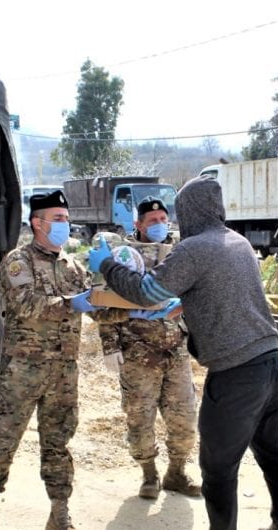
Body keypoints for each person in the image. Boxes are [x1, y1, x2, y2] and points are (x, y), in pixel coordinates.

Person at [89, 175, 278, 530]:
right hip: (271, 366)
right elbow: (219, 295)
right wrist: (184, 307)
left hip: (236, 374)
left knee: (218, 467)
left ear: (187, 212)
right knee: (272, 450)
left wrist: (107, 266)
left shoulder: (193, 247)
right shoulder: (236, 242)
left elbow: (147, 290)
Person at [0, 190, 122, 530]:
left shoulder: (74, 268)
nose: (65, 225)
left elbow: (99, 308)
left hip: (64, 373)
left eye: (66, 218)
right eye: (58, 218)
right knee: (2, 442)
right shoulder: (16, 262)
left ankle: (59, 515)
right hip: (21, 372)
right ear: (38, 222)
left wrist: (137, 309)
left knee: (58, 444)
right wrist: (72, 303)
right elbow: (24, 304)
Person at [97, 196, 200, 500]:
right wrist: (110, 345)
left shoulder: (182, 254)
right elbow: (102, 302)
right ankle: (149, 475)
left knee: (184, 417)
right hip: (137, 354)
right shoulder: (121, 257)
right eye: (151, 220)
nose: (159, 225)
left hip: (176, 351)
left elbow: (197, 296)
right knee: (139, 419)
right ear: (138, 224)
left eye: (163, 219)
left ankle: (177, 473)